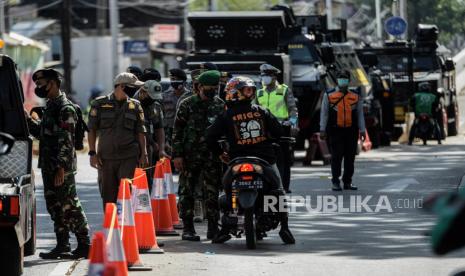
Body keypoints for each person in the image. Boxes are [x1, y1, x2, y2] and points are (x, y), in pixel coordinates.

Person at [206, 76, 295, 244]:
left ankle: (225, 229)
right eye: (247, 90)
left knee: (227, 191)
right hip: (265, 160)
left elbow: (210, 136)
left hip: (236, 161)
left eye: (250, 90)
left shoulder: (226, 115)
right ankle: (285, 228)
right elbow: (278, 131)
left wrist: (220, 153)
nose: (250, 93)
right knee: (278, 191)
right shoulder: (261, 111)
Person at [26, 68, 90, 259]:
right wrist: (28, 120)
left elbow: (67, 141)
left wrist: (61, 168)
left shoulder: (65, 108)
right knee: (54, 206)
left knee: (69, 205)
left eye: (41, 84)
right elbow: (42, 135)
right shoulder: (51, 106)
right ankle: (62, 245)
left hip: (61, 167)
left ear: (52, 83)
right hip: (48, 165)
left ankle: (85, 244)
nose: (38, 88)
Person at [172, 70, 225, 241]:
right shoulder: (187, 104)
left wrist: (225, 152)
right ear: (199, 87)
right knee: (187, 191)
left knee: (212, 192)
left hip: (212, 156)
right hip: (189, 156)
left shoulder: (220, 105)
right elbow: (177, 131)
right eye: (209, 88)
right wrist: (177, 155)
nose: (213, 91)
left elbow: (225, 132)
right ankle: (188, 229)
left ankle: (213, 229)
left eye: (216, 88)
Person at [87, 72, 148, 206]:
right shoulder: (99, 103)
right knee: (108, 195)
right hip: (106, 158)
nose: (136, 90)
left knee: (128, 192)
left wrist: (144, 153)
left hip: (129, 156)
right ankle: (112, 225)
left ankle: (126, 225)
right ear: (122, 86)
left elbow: (141, 131)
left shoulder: (136, 105)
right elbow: (91, 129)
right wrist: (92, 153)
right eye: (133, 87)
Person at [320, 70, 366, 191]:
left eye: (345, 78)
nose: (342, 80)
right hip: (335, 131)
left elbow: (360, 114)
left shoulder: (355, 96)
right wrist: (322, 129)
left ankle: (347, 182)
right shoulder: (329, 95)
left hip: (351, 131)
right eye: (340, 78)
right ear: (337, 80)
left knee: (350, 158)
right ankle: (335, 182)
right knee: (336, 157)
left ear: (349, 80)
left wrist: (362, 130)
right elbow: (324, 114)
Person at [256, 63, 298, 194]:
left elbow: (293, 109)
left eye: (267, 76)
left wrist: (292, 121)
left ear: (274, 77)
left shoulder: (283, 90)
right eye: (263, 76)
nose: (264, 78)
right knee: (263, 157)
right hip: (264, 129)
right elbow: (254, 108)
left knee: (283, 158)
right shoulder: (259, 92)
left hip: (281, 128)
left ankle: (284, 186)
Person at [134, 80, 169, 191]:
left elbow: (159, 128)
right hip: (132, 147)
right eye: (150, 96)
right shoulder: (130, 104)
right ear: (143, 92)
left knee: (147, 180)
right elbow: (137, 130)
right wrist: (153, 143)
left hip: (148, 149)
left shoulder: (155, 106)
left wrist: (161, 148)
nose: (153, 99)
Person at [162, 68, 189, 151]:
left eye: (176, 79)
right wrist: (164, 140)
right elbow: (161, 118)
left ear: (183, 81)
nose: (173, 81)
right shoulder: (164, 96)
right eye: (172, 79)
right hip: (169, 133)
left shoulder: (190, 96)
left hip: (186, 132)